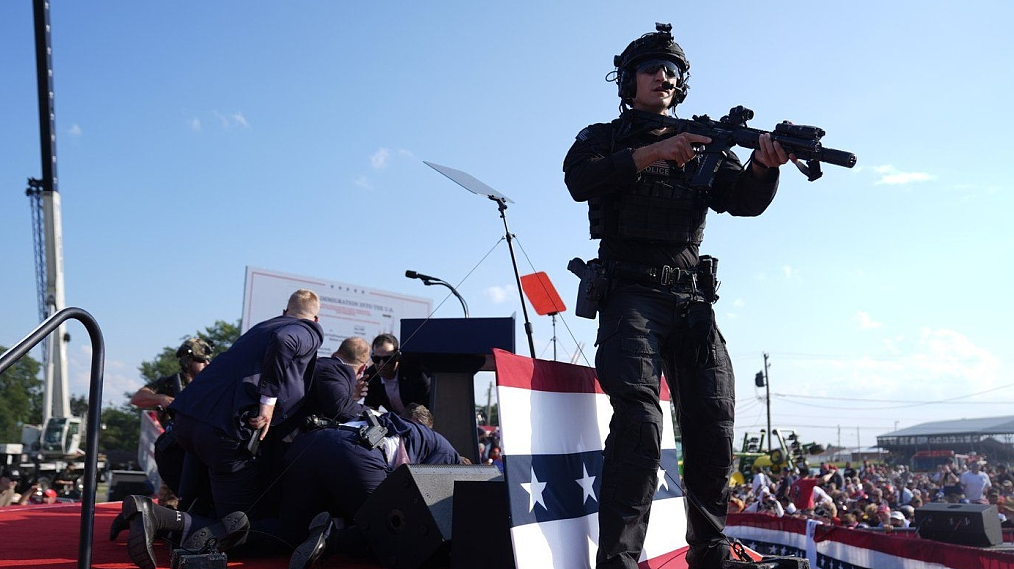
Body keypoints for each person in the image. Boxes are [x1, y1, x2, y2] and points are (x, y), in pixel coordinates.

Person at [563, 23, 790, 569]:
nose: (663, 76)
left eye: (672, 71)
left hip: (691, 300)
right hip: (630, 294)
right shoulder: (604, 138)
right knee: (640, 422)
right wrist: (657, 152)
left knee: (713, 421)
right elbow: (579, 180)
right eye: (652, 68)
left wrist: (764, 166)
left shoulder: (705, 141)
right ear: (628, 80)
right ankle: (618, 559)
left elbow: (742, 201)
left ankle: (710, 549)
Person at [168, 289, 324, 520]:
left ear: (284, 311)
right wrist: (268, 401)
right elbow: (285, 340)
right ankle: (159, 519)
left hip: (188, 417)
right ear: (316, 319)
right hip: (222, 429)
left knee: (197, 504)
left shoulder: (262, 327)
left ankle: (162, 521)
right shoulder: (306, 330)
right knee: (238, 525)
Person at [281, 404, 467, 568]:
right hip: (355, 452)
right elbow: (417, 502)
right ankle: (331, 540)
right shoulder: (449, 457)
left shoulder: (401, 427)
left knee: (290, 530)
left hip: (311, 441)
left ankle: (253, 532)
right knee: (389, 529)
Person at [129, 337, 214, 508]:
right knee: (170, 503)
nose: (206, 364)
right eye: (201, 360)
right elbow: (137, 398)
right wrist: (161, 398)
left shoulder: (211, 383)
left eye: (207, 360)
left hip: (202, 446)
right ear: (187, 360)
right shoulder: (171, 384)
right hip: (176, 448)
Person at [303, 336, 372, 424]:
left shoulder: (322, 364)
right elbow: (341, 409)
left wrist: (351, 397)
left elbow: (329, 402)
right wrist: (374, 414)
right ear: (362, 368)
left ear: (335, 353)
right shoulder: (337, 371)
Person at [363, 333, 431, 416]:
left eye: (387, 359)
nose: (381, 364)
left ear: (397, 357)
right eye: (376, 359)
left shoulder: (415, 374)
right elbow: (370, 406)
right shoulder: (371, 374)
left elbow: (426, 409)